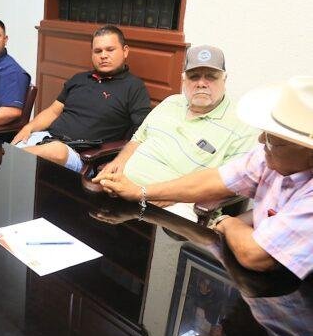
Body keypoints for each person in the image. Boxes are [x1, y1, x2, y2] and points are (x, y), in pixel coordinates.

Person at [94, 76, 313, 281]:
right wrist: (141, 192)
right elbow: (216, 180)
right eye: (266, 132)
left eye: (274, 140)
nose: (261, 140)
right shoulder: (267, 158)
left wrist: (226, 222)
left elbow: (254, 256)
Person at [97, 45, 258, 221]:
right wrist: (117, 164)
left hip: (174, 205)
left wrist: (164, 194)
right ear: (183, 80)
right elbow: (138, 139)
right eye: (194, 76)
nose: (201, 83)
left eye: (211, 76)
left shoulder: (242, 125)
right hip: (123, 191)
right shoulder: (170, 103)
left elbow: (229, 183)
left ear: (224, 80)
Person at [10, 25, 151, 171]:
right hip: (45, 138)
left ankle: (13, 157)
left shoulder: (134, 87)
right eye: (98, 51)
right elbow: (53, 111)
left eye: (110, 50)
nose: (103, 55)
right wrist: (28, 128)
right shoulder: (79, 79)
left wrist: (119, 162)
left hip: (79, 154)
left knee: (53, 151)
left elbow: (142, 132)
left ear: (125, 51)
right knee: (14, 148)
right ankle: (14, 156)